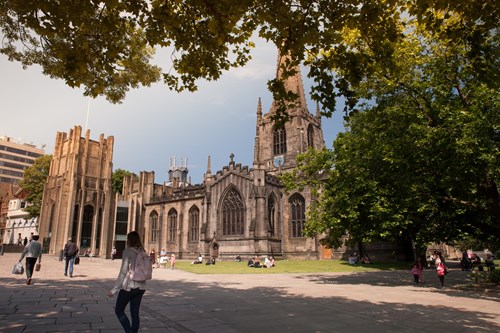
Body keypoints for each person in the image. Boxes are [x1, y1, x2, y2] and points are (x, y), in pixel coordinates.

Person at [107, 231, 147, 333]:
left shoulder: (127, 251)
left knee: (119, 310)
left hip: (129, 286)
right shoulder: (142, 251)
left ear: (129, 240)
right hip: (141, 286)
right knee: (135, 313)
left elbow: (123, 272)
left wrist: (114, 289)